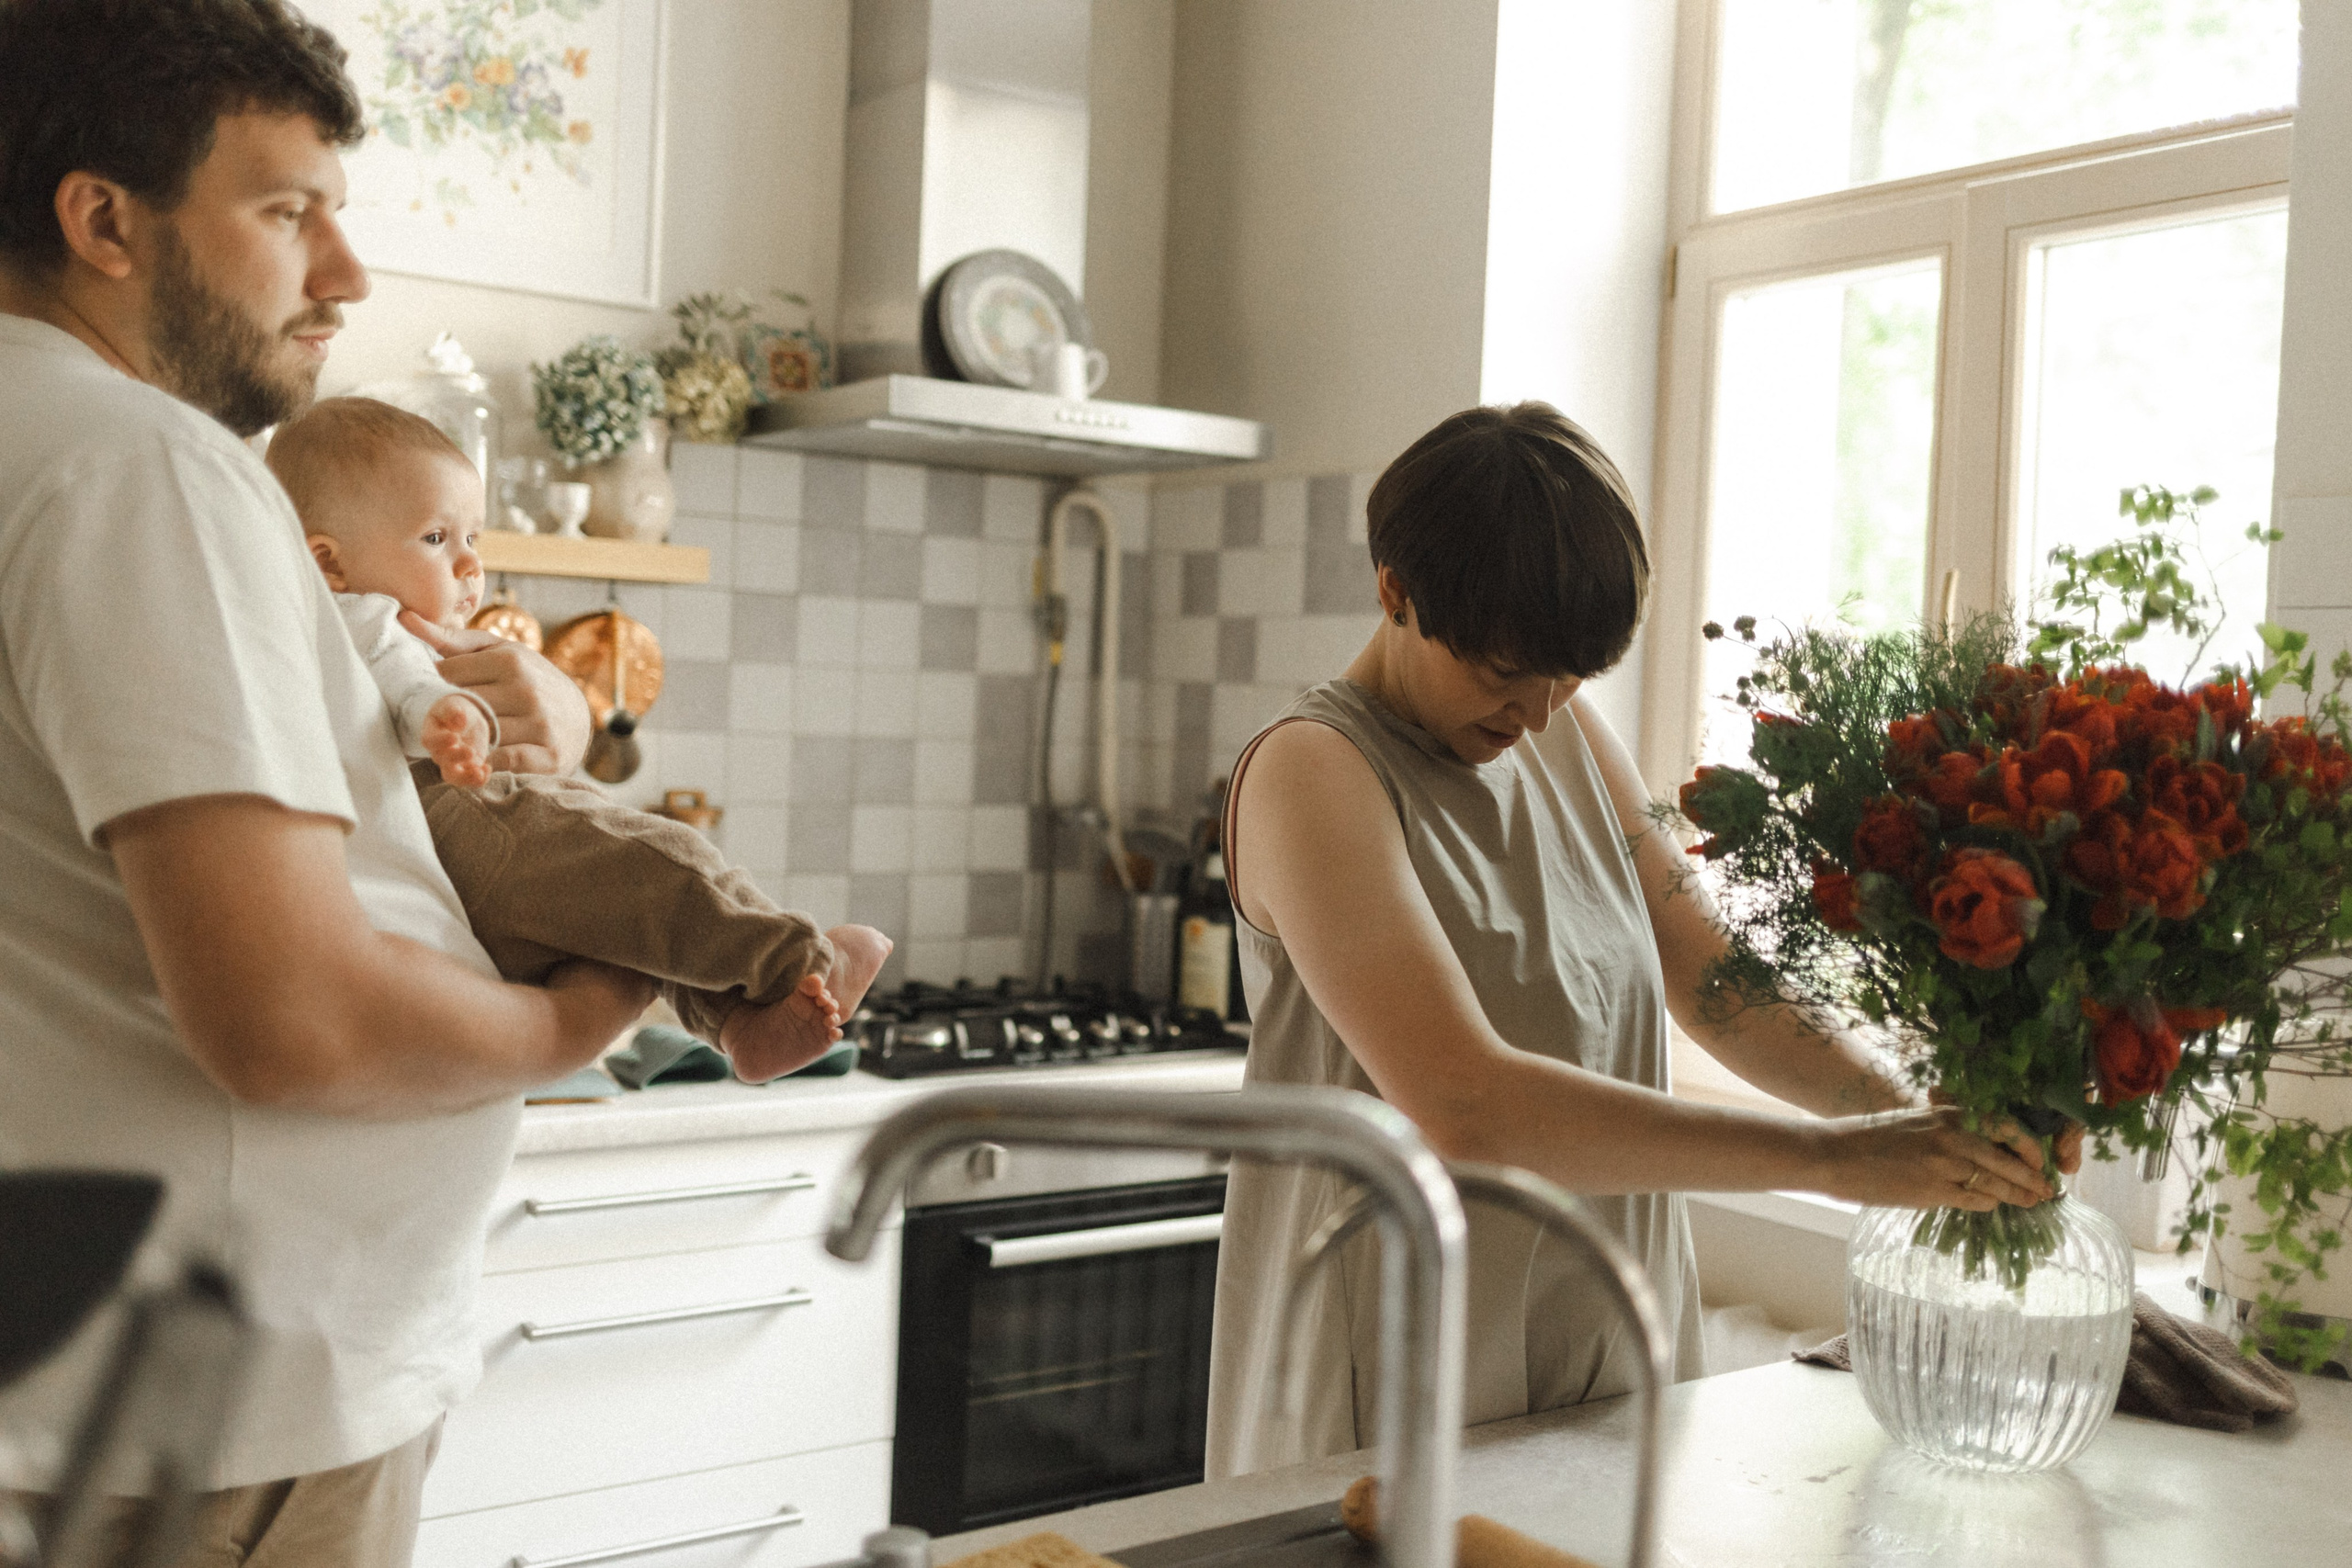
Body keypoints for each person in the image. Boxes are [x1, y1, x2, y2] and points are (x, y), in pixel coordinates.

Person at [0, 3, 756, 1562]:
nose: (345, 274)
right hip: (226, 1426)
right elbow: (294, 1016)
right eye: (290, 212)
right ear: (103, 222)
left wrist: (534, 720)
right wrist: (580, 1013)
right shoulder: (143, 466)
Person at [1204, 401, 2080, 1476]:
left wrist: (1920, 1126)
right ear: (1396, 591)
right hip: (1392, 1354)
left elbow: (1713, 981)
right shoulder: (1312, 770)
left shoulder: (1562, 734)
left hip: (1601, 1332)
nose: (1537, 713)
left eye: (1569, 675)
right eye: (1503, 673)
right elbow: (1465, 1103)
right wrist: (1835, 1161)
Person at [266, 395, 891, 1081]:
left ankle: (736, 1019)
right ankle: (798, 964)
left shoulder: (291, 628)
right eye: (437, 539)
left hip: (442, 861)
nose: (469, 566)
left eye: (474, 539)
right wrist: (449, 712)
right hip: (449, 810)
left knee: (627, 913)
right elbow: (408, 686)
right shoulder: (367, 617)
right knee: (649, 859)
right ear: (328, 563)